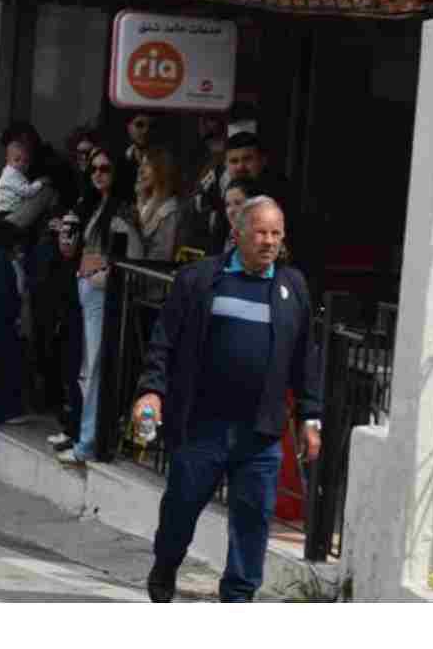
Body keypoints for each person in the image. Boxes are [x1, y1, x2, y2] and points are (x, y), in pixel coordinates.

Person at [128, 197, 323, 602]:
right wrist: (151, 391)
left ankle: (238, 596)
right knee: (181, 508)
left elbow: (306, 357)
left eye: (276, 233)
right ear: (237, 234)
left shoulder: (292, 287)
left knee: (252, 520)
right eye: (261, 232)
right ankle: (166, 564)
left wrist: (311, 416)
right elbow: (164, 341)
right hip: (202, 426)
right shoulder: (199, 279)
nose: (269, 241)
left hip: (260, 432)